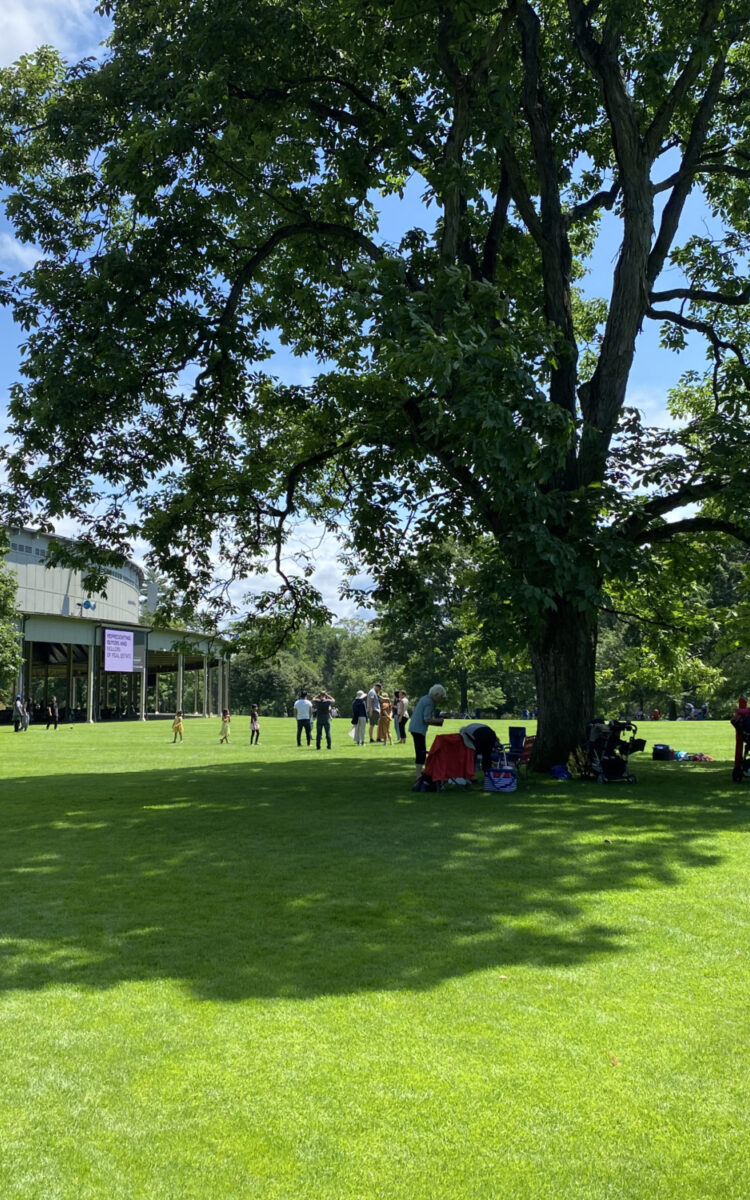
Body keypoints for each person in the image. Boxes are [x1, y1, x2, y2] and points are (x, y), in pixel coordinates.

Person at [408, 684, 447, 781]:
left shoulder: (425, 698)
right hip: (418, 729)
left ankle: (422, 772)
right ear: (436, 694)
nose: (440, 699)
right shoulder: (429, 702)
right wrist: (439, 721)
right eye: (440, 696)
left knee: (421, 750)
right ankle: (418, 775)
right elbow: (427, 719)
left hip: (415, 727)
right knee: (421, 751)